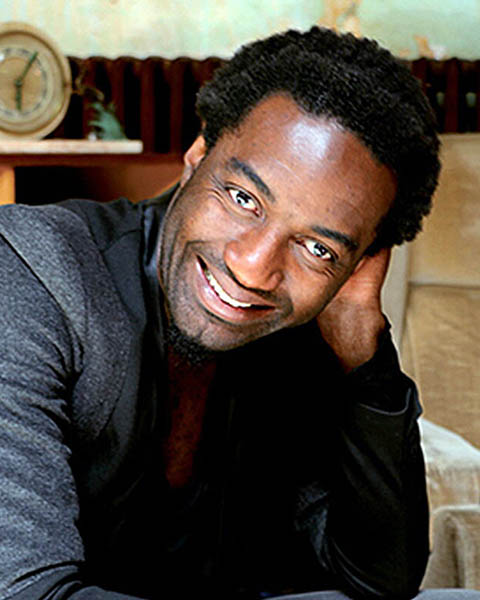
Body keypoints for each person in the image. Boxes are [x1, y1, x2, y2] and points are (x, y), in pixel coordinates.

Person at [0, 25, 473, 600]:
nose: (253, 267)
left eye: (318, 247)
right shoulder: (32, 273)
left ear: (359, 264)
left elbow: (378, 578)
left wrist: (364, 354)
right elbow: (27, 592)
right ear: (198, 157)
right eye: (244, 198)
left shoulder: (298, 331)